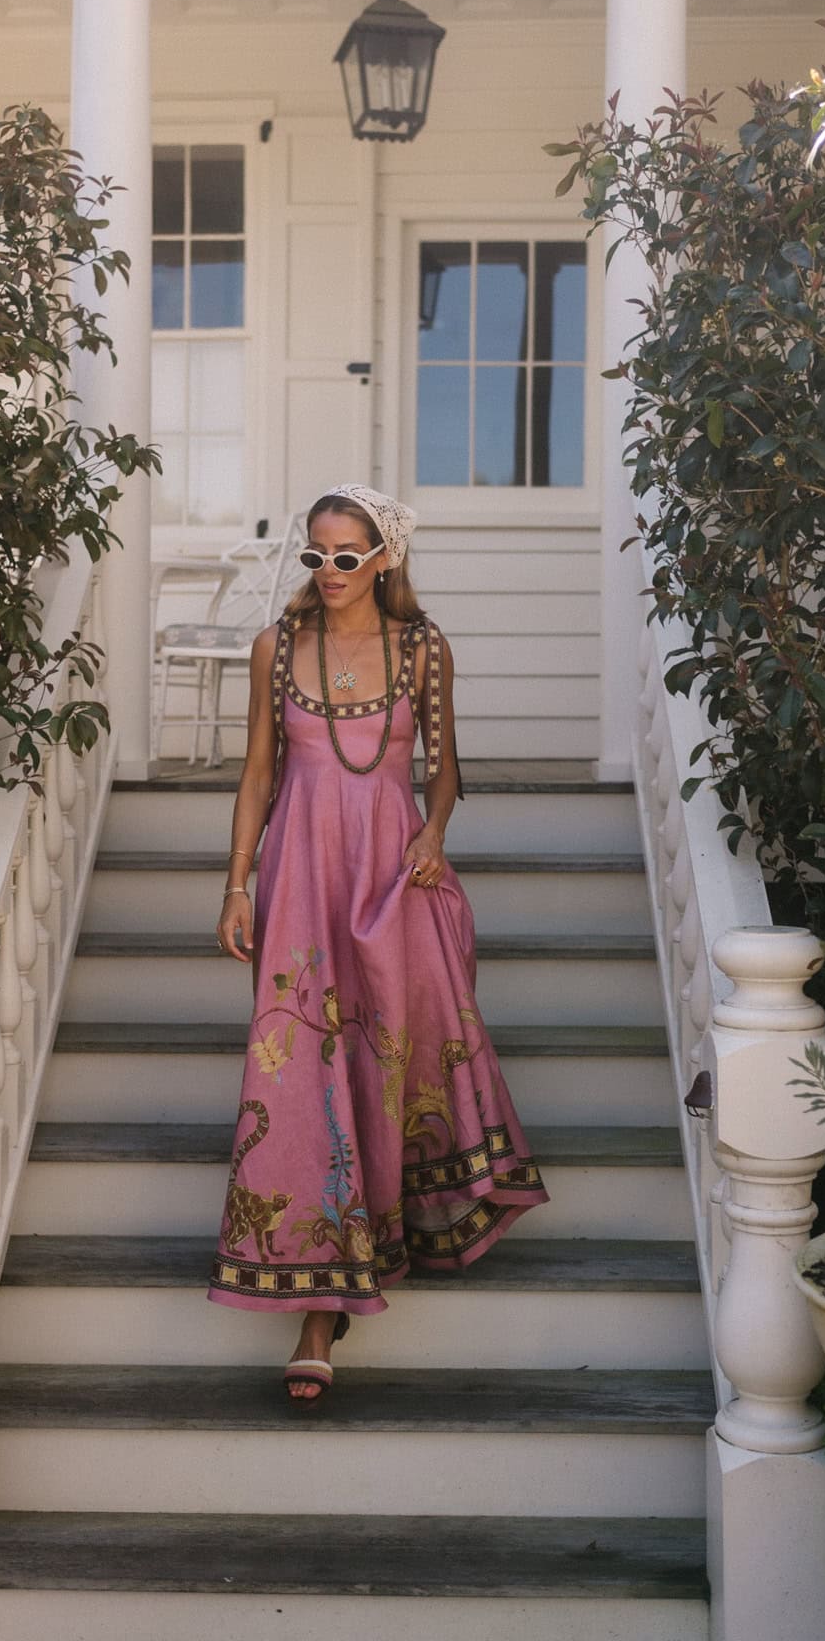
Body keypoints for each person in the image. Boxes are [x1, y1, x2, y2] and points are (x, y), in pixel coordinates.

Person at [206, 484, 549, 1404]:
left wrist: (434, 834)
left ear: (383, 559)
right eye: (314, 555)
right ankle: (319, 1311)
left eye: (346, 557)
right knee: (301, 1073)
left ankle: (386, 1236)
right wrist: (237, 882)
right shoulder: (276, 649)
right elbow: (258, 774)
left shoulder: (423, 648)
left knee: (387, 1060)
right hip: (301, 880)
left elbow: (443, 767)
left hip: (396, 875)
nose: (327, 573)